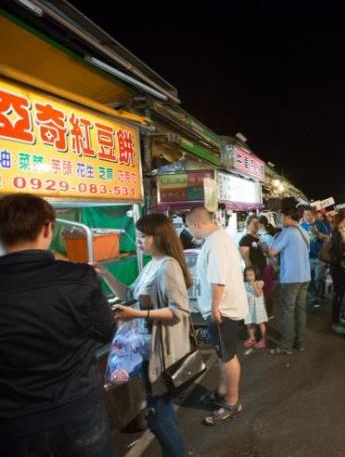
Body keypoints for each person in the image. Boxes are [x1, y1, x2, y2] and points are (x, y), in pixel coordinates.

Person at [1, 193, 116, 457]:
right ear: (47, 228)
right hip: (79, 409)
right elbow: (107, 331)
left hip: (14, 424)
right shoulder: (80, 277)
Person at [96, 213, 192, 455]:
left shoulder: (168, 265)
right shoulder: (152, 264)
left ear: (158, 236)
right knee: (163, 415)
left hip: (162, 354)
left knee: (159, 419)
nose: (137, 240)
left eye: (142, 236)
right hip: (148, 351)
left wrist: (137, 315)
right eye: (137, 236)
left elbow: (179, 310)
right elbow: (130, 294)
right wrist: (105, 274)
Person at [186, 206, 248, 425]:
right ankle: (222, 392)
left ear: (196, 223)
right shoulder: (218, 239)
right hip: (226, 308)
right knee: (223, 354)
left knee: (228, 356)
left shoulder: (215, 242)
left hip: (224, 311)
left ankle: (232, 402)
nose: (188, 231)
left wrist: (214, 307)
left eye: (188, 226)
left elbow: (218, 280)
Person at [268, 205, 311, 355]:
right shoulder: (304, 232)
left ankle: (286, 346)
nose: (280, 219)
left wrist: (274, 239)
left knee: (288, 312)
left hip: (291, 278)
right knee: (300, 310)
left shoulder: (287, 233)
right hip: (305, 277)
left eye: (281, 217)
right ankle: (300, 343)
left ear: (287, 217)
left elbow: (272, 251)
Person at [329, 209, 345, 335]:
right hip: (338, 267)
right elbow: (339, 252)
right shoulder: (337, 233)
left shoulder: (340, 232)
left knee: (340, 293)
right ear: (342, 220)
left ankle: (338, 318)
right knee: (338, 295)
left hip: (341, 266)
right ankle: (335, 322)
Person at [301, 206, 331, 307]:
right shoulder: (302, 226)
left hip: (319, 257)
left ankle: (320, 296)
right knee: (309, 279)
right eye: (304, 214)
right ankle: (313, 297)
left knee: (318, 278)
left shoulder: (320, 224)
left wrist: (317, 233)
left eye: (308, 214)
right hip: (307, 257)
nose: (306, 216)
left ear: (313, 214)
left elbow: (327, 238)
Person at [243, 266, 268, 349]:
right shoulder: (245, 284)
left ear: (255, 275)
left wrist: (254, 285)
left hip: (258, 308)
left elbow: (258, 294)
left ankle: (263, 340)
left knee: (260, 323)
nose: (249, 277)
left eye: (251, 275)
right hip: (249, 307)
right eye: (247, 275)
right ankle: (252, 338)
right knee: (249, 323)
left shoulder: (259, 283)